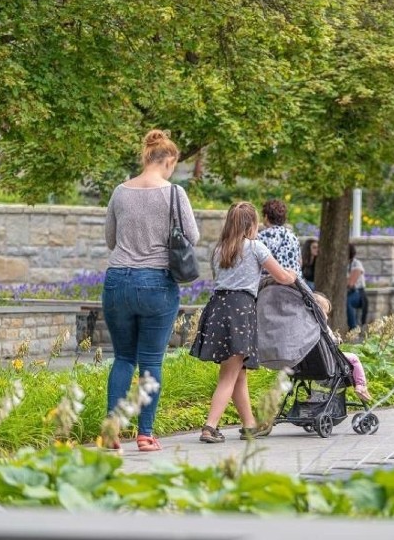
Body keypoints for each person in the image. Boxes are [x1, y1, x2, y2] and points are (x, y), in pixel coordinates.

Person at [102, 129, 199, 452]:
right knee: (151, 362)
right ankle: (145, 434)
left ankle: (112, 430)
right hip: (157, 282)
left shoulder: (120, 191)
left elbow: (111, 240)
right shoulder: (174, 193)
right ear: (169, 160)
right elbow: (192, 237)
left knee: (123, 358)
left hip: (117, 281)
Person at [191, 202, 297, 444]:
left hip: (218, 308)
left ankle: (249, 425)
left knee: (239, 373)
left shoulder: (219, 249)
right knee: (229, 375)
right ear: (252, 224)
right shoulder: (255, 247)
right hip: (240, 310)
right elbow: (281, 276)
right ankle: (210, 427)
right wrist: (292, 275)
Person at [313, 292, 372, 401]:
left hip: (307, 366)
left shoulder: (303, 328)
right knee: (354, 359)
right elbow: (331, 342)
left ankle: (313, 398)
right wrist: (338, 340)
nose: (326, 316)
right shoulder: (323, 327)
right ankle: (361, 385)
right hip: (326, 362)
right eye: (325, 312)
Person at [257, 199, 302, 275]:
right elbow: (299, 261)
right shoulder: (293, 235)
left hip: (270, 280)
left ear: (266, 217)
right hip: (293, 281)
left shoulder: (261, 237)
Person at [346, 243, 368, 331]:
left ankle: (353, 328)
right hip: (346, 292)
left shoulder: (356, 263)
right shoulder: (340, 264)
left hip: (358, 293)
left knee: (347, 302)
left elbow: (351, 283)